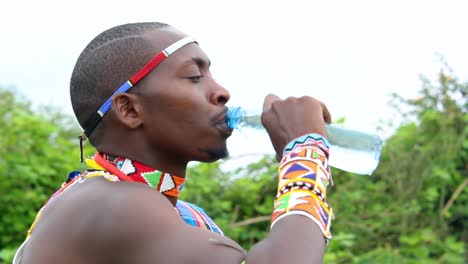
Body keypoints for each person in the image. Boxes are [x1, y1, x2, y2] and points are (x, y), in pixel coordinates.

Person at [13, 22, 334, 264]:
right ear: (129, 109)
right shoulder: (107, 203)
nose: (222, 92)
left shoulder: (177, 214)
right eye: (194, 77)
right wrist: (304, 154)